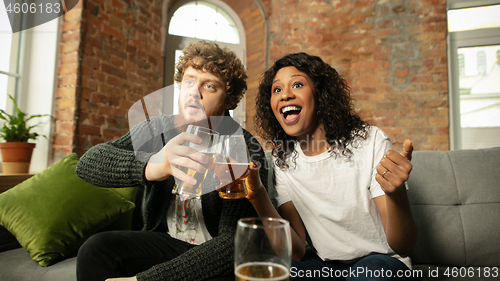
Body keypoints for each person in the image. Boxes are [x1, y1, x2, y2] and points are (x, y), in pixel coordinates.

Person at [75, 41, 268, 281]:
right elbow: (87, 164)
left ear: (229, 100)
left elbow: (234, 244)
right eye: (189, 81)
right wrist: (151, 165)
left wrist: (145, 280)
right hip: (166, 242)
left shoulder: (244, 146)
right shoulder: (158, 129)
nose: (194, 92)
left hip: (215, 256)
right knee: (96, 250)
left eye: (209, 85)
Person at [244, 52, 417, 280]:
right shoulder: (283, 158)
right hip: (324, 266)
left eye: (297, 84)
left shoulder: (370, 140)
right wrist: (257, 194)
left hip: (380, 262)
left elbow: (402, 245)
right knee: (268, 273)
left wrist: (396, 195)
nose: (285, 95)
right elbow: (294, 251)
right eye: (277, 89)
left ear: (320, 94)